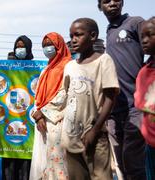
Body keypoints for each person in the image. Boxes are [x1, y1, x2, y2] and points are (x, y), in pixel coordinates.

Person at [61, 18, 119, 180]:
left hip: (94, 137)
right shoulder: (70, 67)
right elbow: (68, 97)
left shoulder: (104, 61)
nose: (73, 40)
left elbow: (110, 98)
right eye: (71, 36)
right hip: (71, 138)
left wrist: (95, 130)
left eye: (78, 35)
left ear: (93, 36)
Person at [98, 0, 146, 179]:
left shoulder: (135, 23)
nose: (112, 3)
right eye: (106, 1)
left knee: (133, 160)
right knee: (121, 164)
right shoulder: (109, 31)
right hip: (114, 109)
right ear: (100, 6)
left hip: (136, 105)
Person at [30, 32, 71, 180]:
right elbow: (37, 97)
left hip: (58, 122)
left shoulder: (69, 67)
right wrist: (37, 114)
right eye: (44, 46)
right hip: (41, 123)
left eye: (50, 45)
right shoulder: (45, 71)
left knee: (59, 164)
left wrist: (44, 113)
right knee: (42, 164)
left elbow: (65, 95)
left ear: (59, 45)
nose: (47, 48)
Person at [2, 35, 33, 180]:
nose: (20, 49)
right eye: (17, 46)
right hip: (9, 120)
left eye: (23, 46)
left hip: (27, 123)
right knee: (9, 162)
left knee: (25, 163)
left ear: (29, 48)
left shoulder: (35, 69)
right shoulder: (7, 68)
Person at [134, 17, 155, 180]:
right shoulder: (143, 72)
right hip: (150, 144)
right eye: (142, 37)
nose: (145, 41)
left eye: (151, 35)